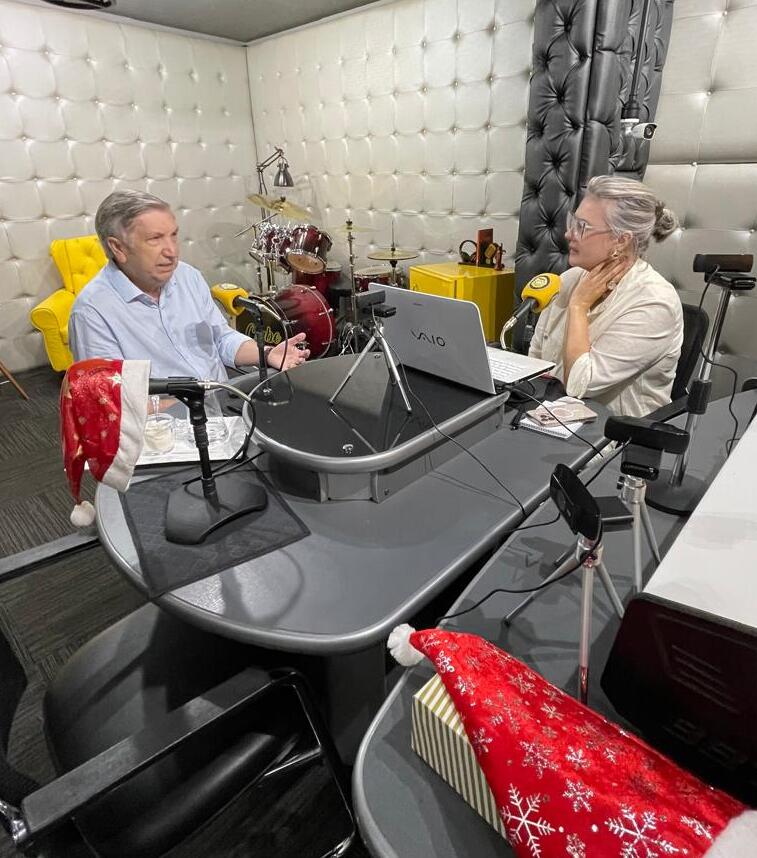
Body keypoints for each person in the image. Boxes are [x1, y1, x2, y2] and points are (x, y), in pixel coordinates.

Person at [69, 190, 309, 379]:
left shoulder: (187, 276)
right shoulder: (92, 312)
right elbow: (112, 400)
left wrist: (267, 353)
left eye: (173, 235)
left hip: (222, 406)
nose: (171, 251)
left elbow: (221, 338)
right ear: (118, 247)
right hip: (164, 423)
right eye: (155, 239)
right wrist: (197, 407)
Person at [528, 175, 683, 418]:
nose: (569, 234)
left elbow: (578, 386)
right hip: (548, 416)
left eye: (582, 227)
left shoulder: (655, 302)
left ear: (621, 241)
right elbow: (536, 359)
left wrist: (579, 306)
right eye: (572, 222)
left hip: (614, 433)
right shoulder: (569, 279)